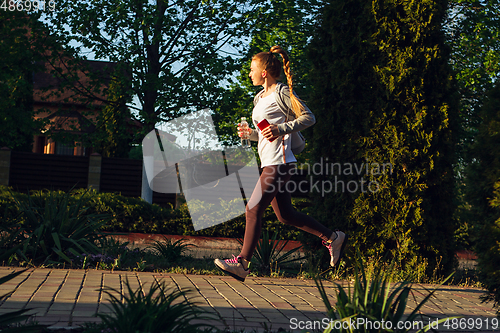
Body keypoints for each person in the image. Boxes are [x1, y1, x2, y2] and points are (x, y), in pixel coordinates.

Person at [214, 46, 348, 282]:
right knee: (285, 214)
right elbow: (265, 132)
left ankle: (242, 263)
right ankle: (332, 237)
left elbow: (309, 117)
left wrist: (281, 128)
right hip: (269, 160)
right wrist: (250, 135)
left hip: (281, 162)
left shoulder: (281, 92)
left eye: (252, 69)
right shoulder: (259, 97)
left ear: (265, 71)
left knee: (253, 208)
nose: (249, 74)